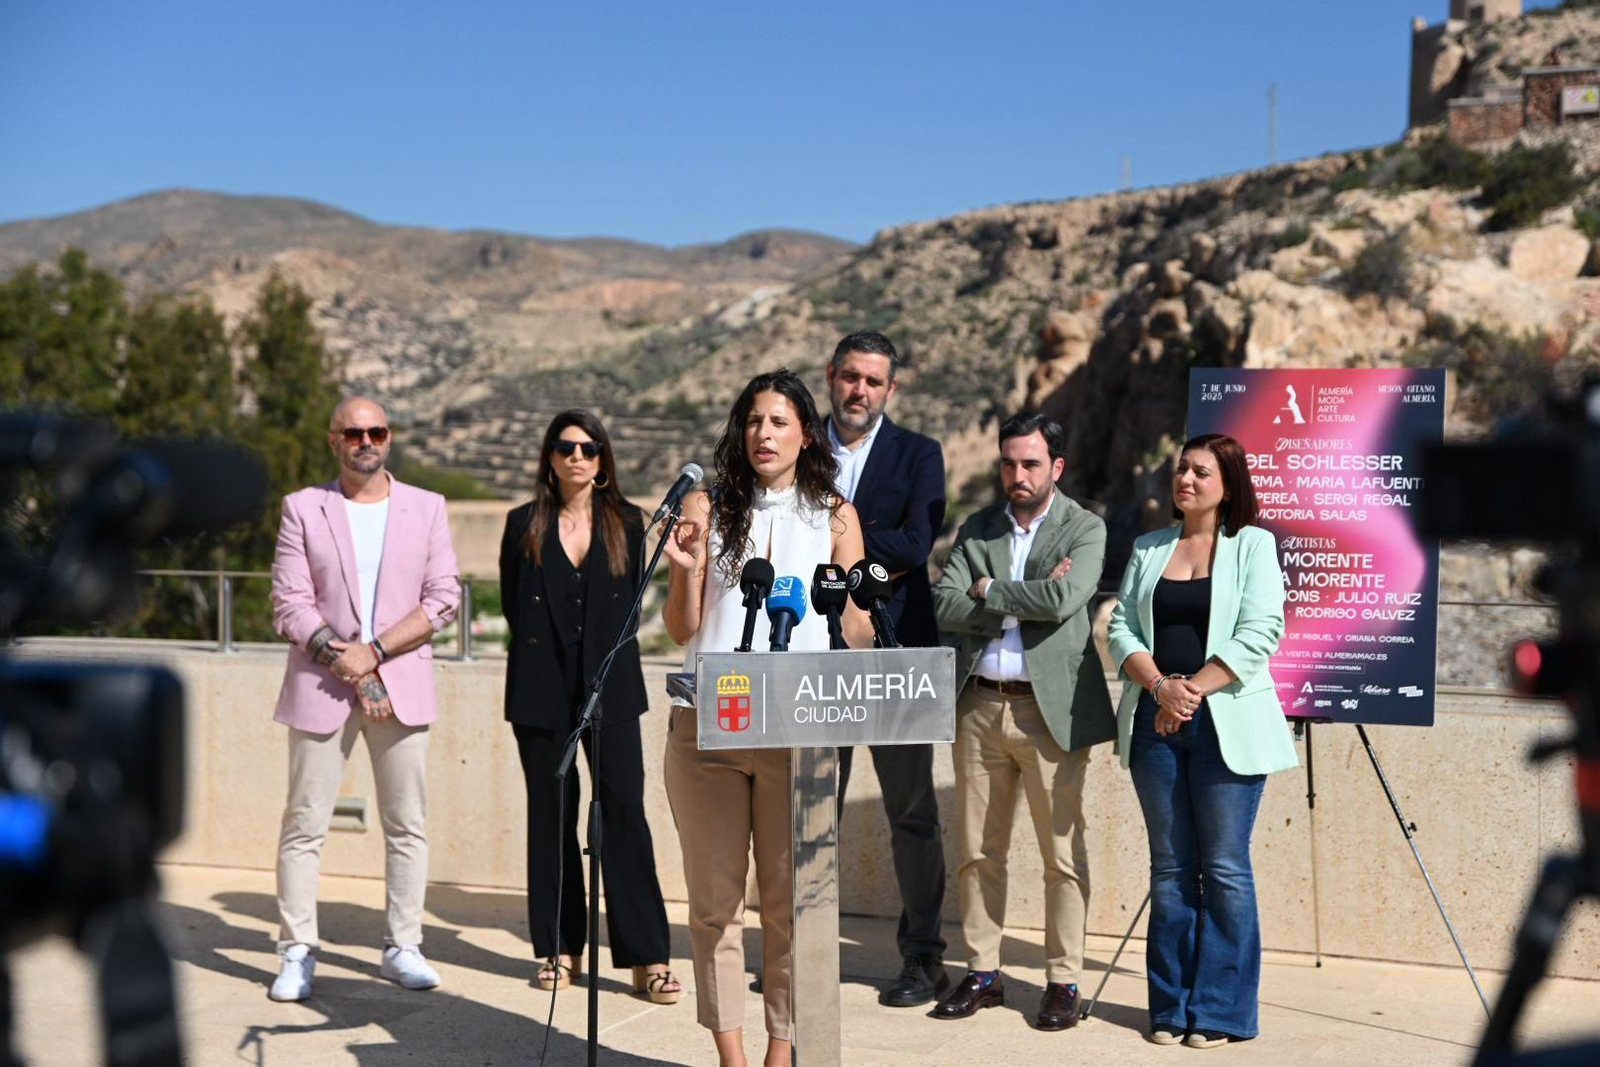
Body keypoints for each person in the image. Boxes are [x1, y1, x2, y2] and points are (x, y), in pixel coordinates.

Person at [662, 368, 871, 1067]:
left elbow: (860, 631)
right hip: (708, 728)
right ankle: (732, 1057)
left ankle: (783, 1052)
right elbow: (680, 626)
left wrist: (870, 609)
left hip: (799, 732)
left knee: (790, 906)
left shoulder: (837, 515)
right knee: (714, 907)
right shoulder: (709, 504)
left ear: (806, 432)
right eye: (753, 421)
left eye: (779, 421)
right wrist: (687, 569)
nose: (763, 433)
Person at [1106, 432, 1298, 1048]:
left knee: (1224, 869)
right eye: (1181, 470)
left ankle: (1220, 1013)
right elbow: (1120, 629)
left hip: (1226, 726)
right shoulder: (1147, 547)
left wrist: (1189, 693)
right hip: (1154, 727)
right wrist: (1161, 688)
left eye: (1201, 472)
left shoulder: (1254, 546)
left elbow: (1261, 631)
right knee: (1169, 870)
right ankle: (1169, 1007)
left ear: (1228, 484)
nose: (1185, 480)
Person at [268, 396, 460, 1001]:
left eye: (375, 430)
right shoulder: (304, 508)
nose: (364, 440)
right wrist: (349, 662)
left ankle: (403, 945)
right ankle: (297, 948)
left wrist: (372, 654)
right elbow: (289, 603)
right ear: (334, 440)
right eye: (352, 432)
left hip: (401, 683)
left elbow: (443, 599)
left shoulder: (428, 508)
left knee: (408, 824)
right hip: (321, 685)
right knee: (304, 823)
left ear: (390, 436)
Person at [931, 411, 1114, 1032]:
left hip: (1049, 712)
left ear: (1055, 467)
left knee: (1061, 855)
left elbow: (1067, 600)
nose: (1018, 474)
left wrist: (990, 590)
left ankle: (1063, 979)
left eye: (1031, 463)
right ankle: (983, 972)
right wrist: (1011, 594)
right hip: (979, 705)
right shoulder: (977, 527)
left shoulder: (1085, 527)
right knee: (979, 852)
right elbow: (944, 604)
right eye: (1008, 463)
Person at [498, 410, 680, 1003]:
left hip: (613, 689)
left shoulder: (628, 523)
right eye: (565, 446)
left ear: (603, 460)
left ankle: (646, 957)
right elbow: (511, 606)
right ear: (549, 457)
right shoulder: (520, 524)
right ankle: (559, 948)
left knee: (625, 810)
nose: (577, 456)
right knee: (551, 816)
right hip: (540, 692)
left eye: (589, 447)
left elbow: (631, 603)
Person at [820, 329, 951, 1007]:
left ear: (891, 389)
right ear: (831, 376)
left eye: (873, 380)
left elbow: (918, 541)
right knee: (812, 808)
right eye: (850, 376)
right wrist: (865, 551)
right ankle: (803, 950)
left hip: (896, 652)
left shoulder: (919, 453)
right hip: (813, 654)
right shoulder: (796, 446)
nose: (859, 390)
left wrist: (840, 544)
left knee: (912, 813)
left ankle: (923, 958)